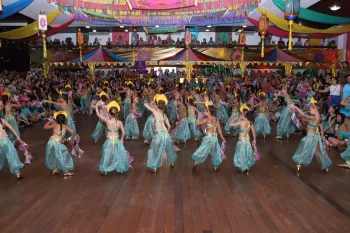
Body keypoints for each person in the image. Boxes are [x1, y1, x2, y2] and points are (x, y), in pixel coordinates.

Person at [291, 98, 332, 172]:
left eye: (310, 110)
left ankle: (299, 163)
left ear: (315, 109)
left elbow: (303, 115)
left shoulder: (315, 117)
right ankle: (325, 166)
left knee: (305, 149)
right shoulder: (317, 116)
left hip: (311, 137)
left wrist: (296, 107)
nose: (309, 111)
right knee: (318, 152)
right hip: (314, 136)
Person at [95, 101, 133, 175]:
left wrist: (96, 106)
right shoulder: (120, 122)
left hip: (109, 141)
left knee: (107, 155)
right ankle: (121, 169)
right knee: (118, 154)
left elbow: (98, 114)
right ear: (117, 113)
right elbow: (123, 132)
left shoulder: (107, 121)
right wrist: (122, 139)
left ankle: (105, 170)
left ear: (109, 113)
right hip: (117, 141)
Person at [144, 94, 177, 173]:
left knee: (155, 150)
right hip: (165, 135)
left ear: (158, 105)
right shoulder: (164, 115)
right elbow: (169, 126)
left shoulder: (155, 112)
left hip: (158, 135)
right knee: (169, 150)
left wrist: (152, 103)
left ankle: (154, 166)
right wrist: (166, 132)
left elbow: (145, 104)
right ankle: (172, 162)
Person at [192, 100, 225, 172]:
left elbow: (197, 123)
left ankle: (196, 162)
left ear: (209, 112)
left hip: (208, 138)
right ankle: (215, 166)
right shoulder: (215, 119)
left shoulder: (207, 119)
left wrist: (199, 116)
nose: (204, 110)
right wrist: (221, 136)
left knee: (202, 150)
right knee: (215, 152)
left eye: (205, 110)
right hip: (214, 138)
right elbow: (219, 128)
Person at [44, 111, 75, 176]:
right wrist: (71, 138)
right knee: (64, 155)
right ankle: (66, 172)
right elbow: (72, 132)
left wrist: (50, 120)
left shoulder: (54, 125)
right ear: (65, 120)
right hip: (57, 144)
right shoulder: (65, 126)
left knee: (54, 155)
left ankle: (54, 170)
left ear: (56, 119)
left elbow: (45, 126)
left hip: (50, 142)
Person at [230, 104, 257, 172]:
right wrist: (254, 140)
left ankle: (242, 166)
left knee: (240, 154)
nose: (240, 115)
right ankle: (247, 166)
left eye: (241, 114)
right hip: (247, 141)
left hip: (241, 141)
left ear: (243, 115)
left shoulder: (241, 122)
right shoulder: (250, 123)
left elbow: (231, 124)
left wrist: (235, 119)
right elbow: (254, 132)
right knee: (247, 153)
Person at [0, 115, 25, 179]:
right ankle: (17, 173)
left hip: (6, 141)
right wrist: (18, 138)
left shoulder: (2, 120)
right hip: (5, 141)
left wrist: (18, 138)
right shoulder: (2, 120)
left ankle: (17, 173)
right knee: (11, 156)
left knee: (12, 155)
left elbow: (11, 128)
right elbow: (11, 128)